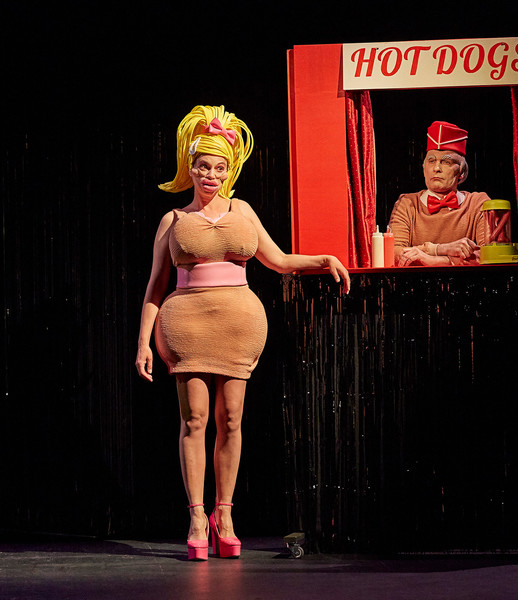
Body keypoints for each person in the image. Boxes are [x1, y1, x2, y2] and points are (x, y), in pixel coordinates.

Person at [135, 105, 350, 561]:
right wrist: (142, 344)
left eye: (220, 167)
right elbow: (155, 285)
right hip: (186, 323)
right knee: (195, 420)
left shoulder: (243, 210)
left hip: (238, 324)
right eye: (203, 166)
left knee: (231, 419)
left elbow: (279, 260)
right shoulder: (173, 220)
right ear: (190, 166)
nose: (211, 175)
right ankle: (197, 517)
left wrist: (323, 259)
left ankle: (225, 515)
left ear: (229, 169)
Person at [388, 121, 490, 266]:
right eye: (431, 161)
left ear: (461, 171)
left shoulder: (478, 203)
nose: (436, 168)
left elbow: (488, 255)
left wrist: (433, 260)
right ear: (424, 168)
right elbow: (394, 253)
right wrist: (439, 249)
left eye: (446, 162)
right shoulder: (407, 203)